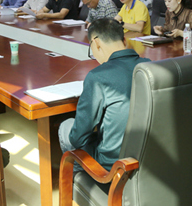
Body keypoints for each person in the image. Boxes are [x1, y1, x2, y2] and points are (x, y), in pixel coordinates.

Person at [58, 18, 149, 171]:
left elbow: (78, 138)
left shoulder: (98, 77)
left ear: (96, 43)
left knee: (66, 127)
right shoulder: (149, 66)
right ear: (124, 40)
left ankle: (83, 178)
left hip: (113, 165)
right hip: (148, 157)